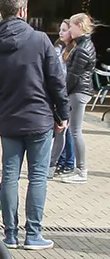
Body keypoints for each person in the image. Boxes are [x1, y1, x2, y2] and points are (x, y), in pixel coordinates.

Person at [0, 0, 68, 250]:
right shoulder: (39, 40)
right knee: (37, 176)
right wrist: (63, 114)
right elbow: (56, 80)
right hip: (40, 119)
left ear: (2, 12)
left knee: (9, 176)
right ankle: (34, 234)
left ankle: (10, 235)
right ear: (23, 11)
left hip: (10, 121)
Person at [52, 13, 97, 185]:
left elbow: (73, 76)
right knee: (71, 130)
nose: (69, 30)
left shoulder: (83, 47)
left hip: (78, 92)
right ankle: (75, 168)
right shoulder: (82, 44)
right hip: (78, 91)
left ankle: (81, 170)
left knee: (75, 131)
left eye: (71, 26)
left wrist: (61, 95)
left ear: (79, 25)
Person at [52, 20, 76, 177]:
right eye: (60, 29)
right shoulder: (57, 48)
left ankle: (69, 162)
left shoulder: (73, 50)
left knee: (67, 130)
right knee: (59, 130)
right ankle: (61, 160)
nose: (61, 33)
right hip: (57, 91)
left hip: (66, 93)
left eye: (65, 30)